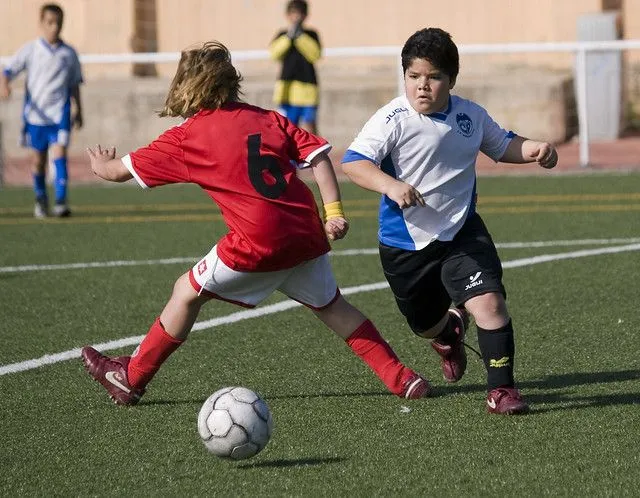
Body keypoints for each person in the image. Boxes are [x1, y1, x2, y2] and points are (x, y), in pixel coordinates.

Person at [81, 41, 429, 406]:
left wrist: (100, 165)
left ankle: (130, 378)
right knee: (334, 308)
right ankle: (401, 378)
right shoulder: (268, 118)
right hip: (305, 234)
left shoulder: (188, 136)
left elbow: (117, 172)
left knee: (186, 292)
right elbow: (319, 157)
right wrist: (335, 213)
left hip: (256, 243)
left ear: (190, 86)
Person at [341, 28, 558, 415]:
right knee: (424, 324)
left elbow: (503, 143)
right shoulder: (391, 118)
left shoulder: (469, 116)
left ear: (451, 80)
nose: (422, 86)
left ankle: (502, 390)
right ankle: (447, 334)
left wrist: (535, 149)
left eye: (433, 77)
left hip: (461, 231)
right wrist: (390, 186)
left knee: (489, 304)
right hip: (405, 244)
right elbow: (354, 163)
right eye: (413, 76)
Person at [0, 3, 83, 218]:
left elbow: (74, 84)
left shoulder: (69, 53)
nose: (54, 27)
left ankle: (61, 201)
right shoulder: (30, 50)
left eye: (58, 23)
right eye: (50, 22)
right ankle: (40, 198)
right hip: (36, 116)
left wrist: (79, 110)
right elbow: (8, 70)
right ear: (42, 23)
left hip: (59, 114)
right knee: (38, 160)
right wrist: (4, 84)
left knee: (60, 154)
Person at [269, 0, 320, 134]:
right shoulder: (282, 34)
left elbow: (315, 55)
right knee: (287, 128)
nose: (296, 17)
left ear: (305, 15)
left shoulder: (311, 34)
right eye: (293, 14)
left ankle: (314, 153)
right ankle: (290, 155)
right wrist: (288, 38)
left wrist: (300, 37)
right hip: (287, 91)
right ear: (288, 15)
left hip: (308, 90)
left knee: (310, 126)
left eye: (300, 14)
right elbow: (274, 54)